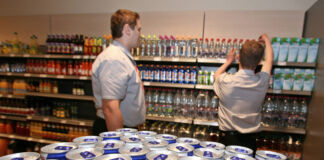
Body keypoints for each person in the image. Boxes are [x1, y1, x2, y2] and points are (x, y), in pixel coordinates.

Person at [213, 34, 273, 153]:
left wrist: (228, 61)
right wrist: (267, 40)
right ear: (259, 61)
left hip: (227, 140)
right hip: (249, 142)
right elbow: (269, 61)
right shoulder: (262, 81)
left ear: (239, 57)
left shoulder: (226, 81)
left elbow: (216, 75)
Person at [91, 9, 145, 135]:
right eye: (138, 29)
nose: (140, 34)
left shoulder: (121, 57)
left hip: (125, 129)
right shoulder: (114, 59)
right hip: (116, 130)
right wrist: (119, 143)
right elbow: (110, 108)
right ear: (127, 29)